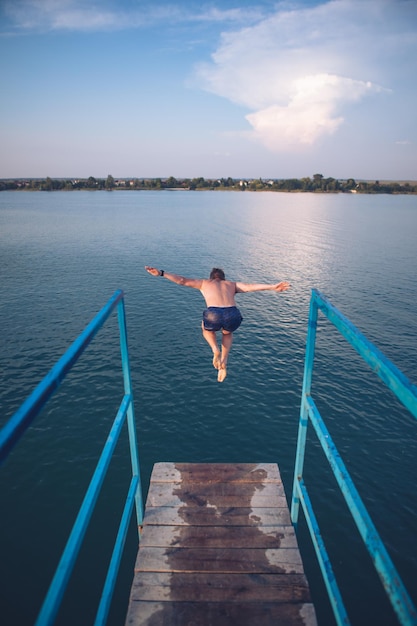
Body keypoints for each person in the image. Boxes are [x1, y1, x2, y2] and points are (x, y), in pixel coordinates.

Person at [145, 266, 290, 382]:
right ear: (223, 278)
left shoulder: (204, 283)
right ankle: (224, 361)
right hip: (232, 314)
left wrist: (162, 273)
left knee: (206, 329)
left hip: (213, 314)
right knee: (227, 333)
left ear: (211, 277)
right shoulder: (231, 284)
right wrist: (272, 286)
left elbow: (182, 280)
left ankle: (215, 350)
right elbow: (249, 286)